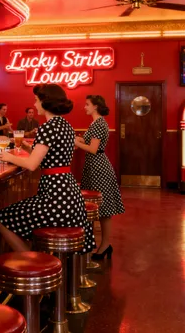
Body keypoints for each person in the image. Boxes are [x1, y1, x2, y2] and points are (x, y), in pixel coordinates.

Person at [0, 84, 95, 254]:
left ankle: (31, 262)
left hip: (55, 199)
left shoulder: (47, 127)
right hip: (70, 196)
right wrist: (28, 149)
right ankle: (35, 258)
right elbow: (51, 159)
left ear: (45, 102)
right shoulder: (66, 125)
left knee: (1, 219)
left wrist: (8, 157)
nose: (34, 105)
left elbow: (32, 165)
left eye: (36, 100)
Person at [75, 95, 124, 259]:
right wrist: (78, 139)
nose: (85, 107)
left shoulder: (98, 123)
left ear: (96, 106)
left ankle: (104, 245)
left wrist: (76, 143)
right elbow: (89, 142)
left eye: (87, 104)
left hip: (98, 167)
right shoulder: (97, 123)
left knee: (102, 210)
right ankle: (103, 245)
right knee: (99, 208)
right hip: (94, 167)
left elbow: (93, 149)